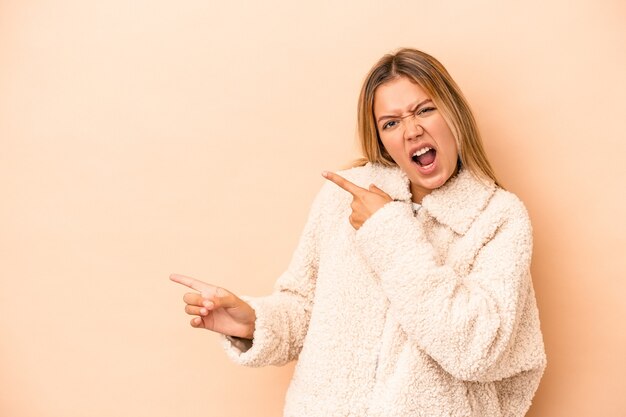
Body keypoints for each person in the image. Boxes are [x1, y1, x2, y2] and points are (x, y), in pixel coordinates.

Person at [170, 48, 547, 417]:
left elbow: (477, 349)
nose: (412, 131)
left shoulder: (499, 217)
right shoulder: (343, 196)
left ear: (454, 114)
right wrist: (254, 322)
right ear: (381, 137)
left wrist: (387, 230)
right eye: (391, 122)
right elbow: (303, 309)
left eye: (425, 110)